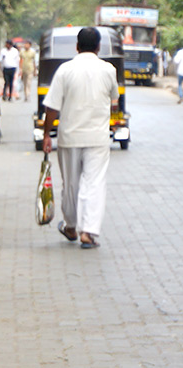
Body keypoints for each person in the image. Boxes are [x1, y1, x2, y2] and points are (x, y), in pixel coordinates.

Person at [42, 27, 119, 249]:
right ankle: (89, 232)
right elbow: (113, 100)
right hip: (97, 137)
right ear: (98, 47)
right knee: (94, 184)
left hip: (70, 136)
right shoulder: (108, 70)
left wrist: (47, 134)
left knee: (70, 185)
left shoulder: (65, 70)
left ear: (77, 46)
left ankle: (70, 226)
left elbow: (52, 107)